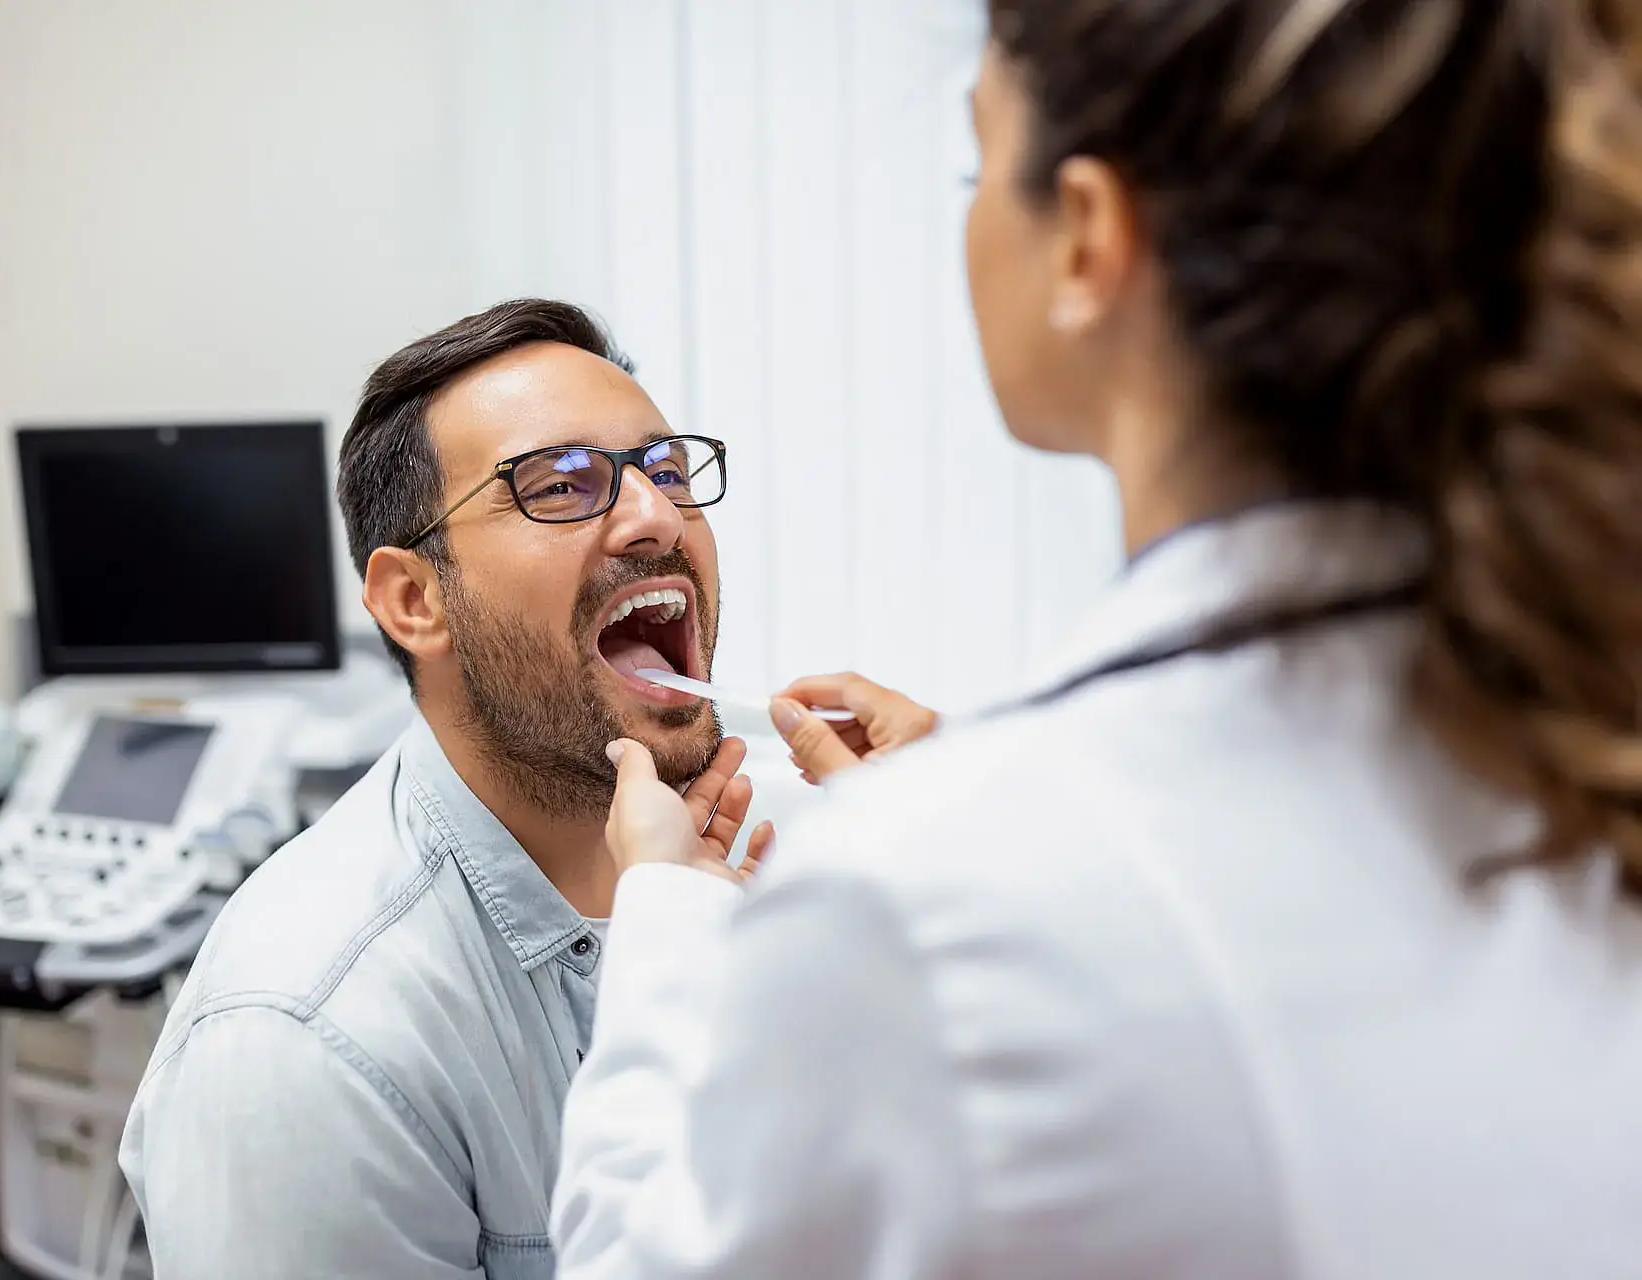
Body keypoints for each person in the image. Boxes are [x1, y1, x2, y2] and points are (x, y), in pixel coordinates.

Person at [554, 2, 1642, 1276]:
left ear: (1086, 236)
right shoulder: (1574, 730)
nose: (645, 511)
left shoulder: (927, 904)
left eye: (976, 169)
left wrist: (669, 917)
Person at [120, 299, 764, 1280]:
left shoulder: (744, 867)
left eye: (667, 470)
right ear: (415, 599)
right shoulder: (304, 1042)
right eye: (559, 485)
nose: (658, 516)